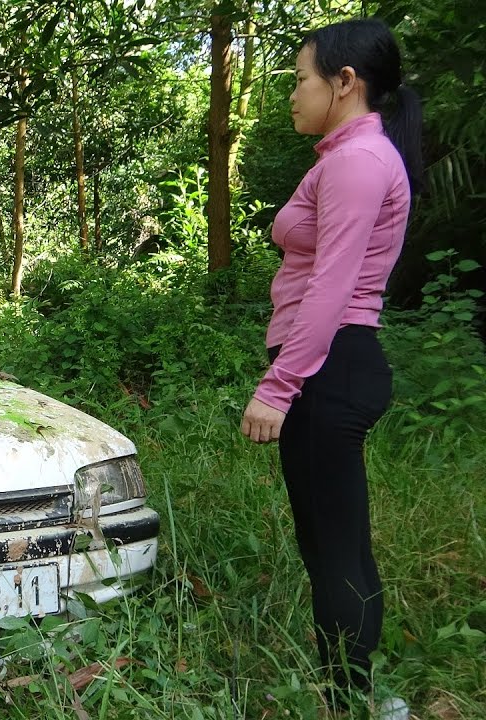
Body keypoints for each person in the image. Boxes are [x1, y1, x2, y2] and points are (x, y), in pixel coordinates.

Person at [238, 17, 423, 720]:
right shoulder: (351, 156)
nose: (292, 94)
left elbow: (332, 287)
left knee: (336, 543)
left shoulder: (357, 161)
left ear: (345, 82)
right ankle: (356, 693)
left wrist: (279, 386)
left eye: (300, 79)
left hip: (330, 366)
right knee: (328, 539)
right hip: (333, 364)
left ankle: (351, 701)